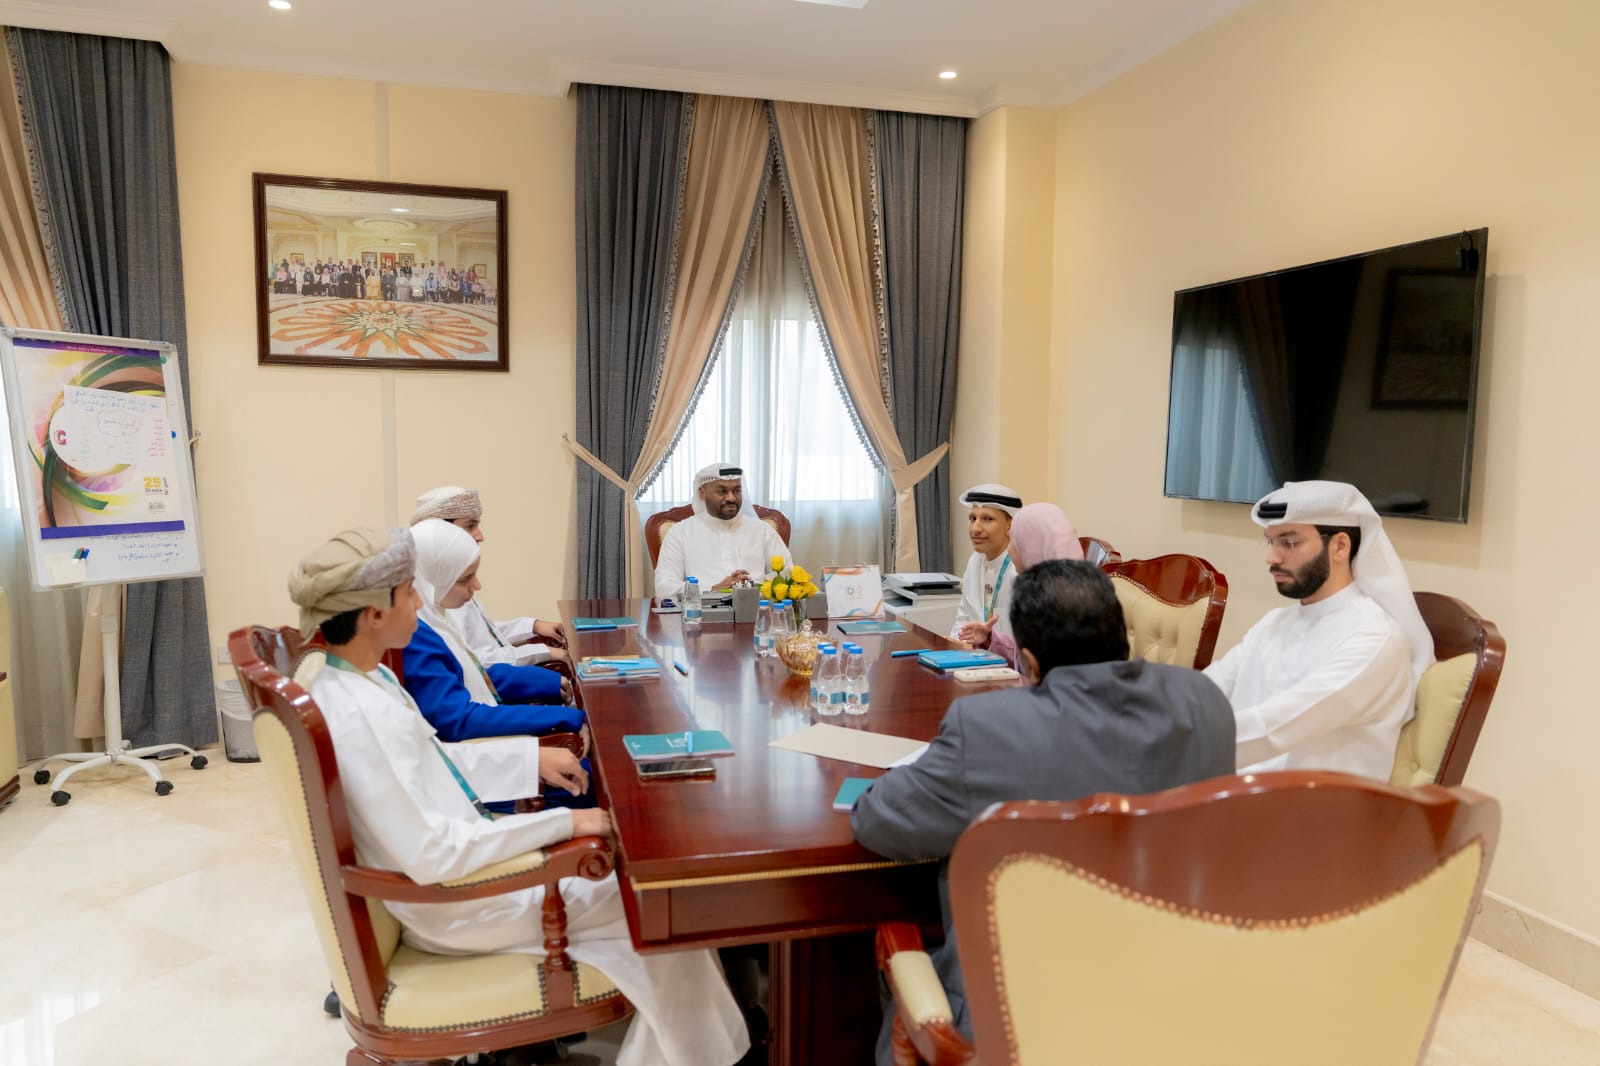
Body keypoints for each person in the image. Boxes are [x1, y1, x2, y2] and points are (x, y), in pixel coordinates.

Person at [287, 527, 750, 1066]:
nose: (419, 602)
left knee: (664, 920)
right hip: (459, 902)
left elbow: (437, 761)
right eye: (409, 592)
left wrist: (530, 759)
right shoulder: (360, 713)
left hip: (458, 873)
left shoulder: (357, 682)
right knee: (667, 908)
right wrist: (565, 826)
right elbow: (436, 852)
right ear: (373, 614)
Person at [852, 560, 1236, 1060]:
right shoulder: (1205, 702)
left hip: (1014, 1020)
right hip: (1173, 998)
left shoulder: (987, 727)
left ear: (1028, 663)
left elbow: (877, 822)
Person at [1205, 480, 1435, 779]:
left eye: (1289, 543)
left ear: (1340, 546)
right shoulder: (1274, 623)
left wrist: (1176, 741)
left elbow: (1276, 728)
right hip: (1237, 788)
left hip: (1309, 803)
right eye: (1269, 542)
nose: (1271, 558)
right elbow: (1210, 687)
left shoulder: (1375, 638)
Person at [402, 519, 580, 745]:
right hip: (474, 748)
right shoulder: (416, 635)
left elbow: (474, 674)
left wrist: (545, 681)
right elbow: (457, 718)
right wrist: (563, 716)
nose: (477, 585)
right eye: (466, 578)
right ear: (432, 576)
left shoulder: (437, 617)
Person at [411, 485, 568, 667]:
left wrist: (533, 626)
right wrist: (544, 652)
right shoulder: (443, 592)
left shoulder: (452, 584)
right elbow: (479, 660)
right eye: (470, 526)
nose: (480, 536)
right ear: (442, 531)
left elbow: (485, 634)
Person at [958, 502, 1084, 667]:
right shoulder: (1047, 589)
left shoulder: (1059, 603)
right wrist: (990, 639)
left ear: (1033, 547)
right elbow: (1025, 655)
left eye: (1015, 542)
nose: (1009, 549)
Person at [652, 463, 791, 602]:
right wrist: (712, 590)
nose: (731, 498)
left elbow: (788, 574)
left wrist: (753, 588)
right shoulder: (680, 533)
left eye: (736, 491)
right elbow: (664, 586)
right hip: (702, 611)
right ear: (702, 493)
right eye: (722, 491)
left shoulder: (763, 530)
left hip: (757, 610)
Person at [948, 483, 1022, 645]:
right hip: (973, 655)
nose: (975, 529)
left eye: (988, 519)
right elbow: (963, 618)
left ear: (1010, 525)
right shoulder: (975, 560)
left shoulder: (1020, 568)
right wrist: (954, 646)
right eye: (972, 519)